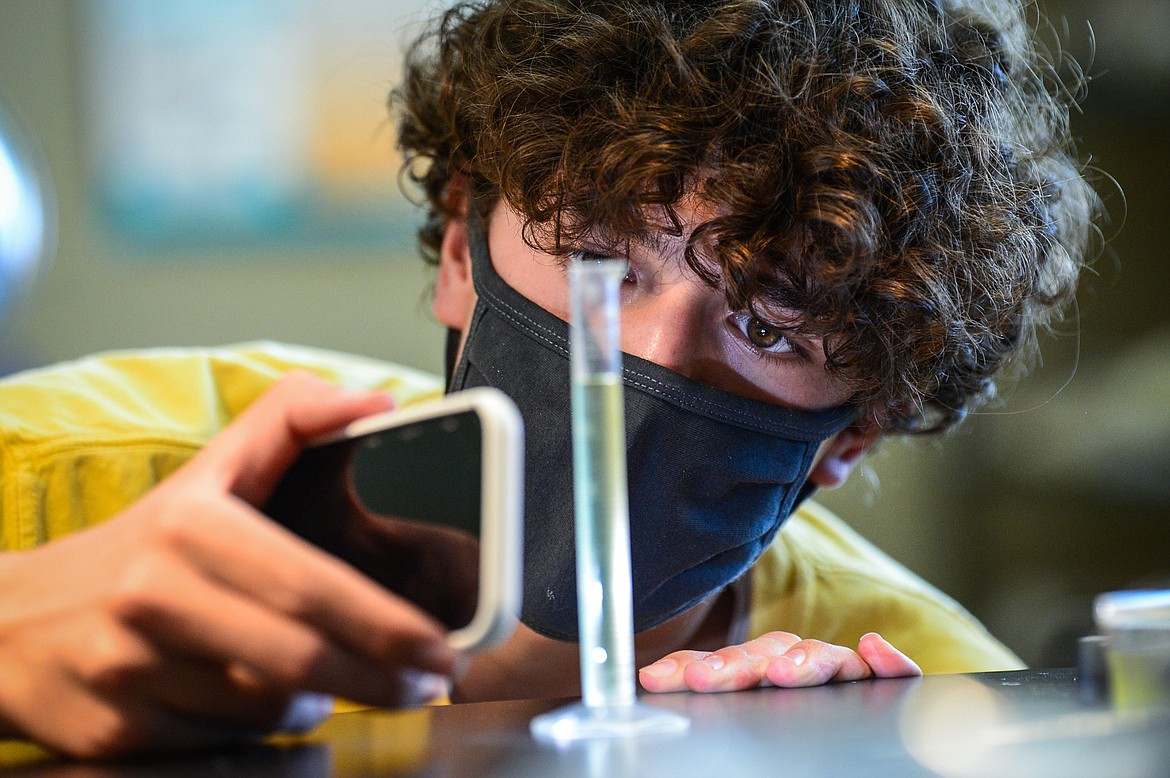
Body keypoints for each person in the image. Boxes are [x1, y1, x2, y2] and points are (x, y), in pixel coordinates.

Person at [0, 0, 1100, 760]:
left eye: (771, 325)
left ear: (854, 434)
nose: (652, 359)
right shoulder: (60, 488)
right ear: (458, 252)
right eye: (598, 263)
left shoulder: (937, 704)